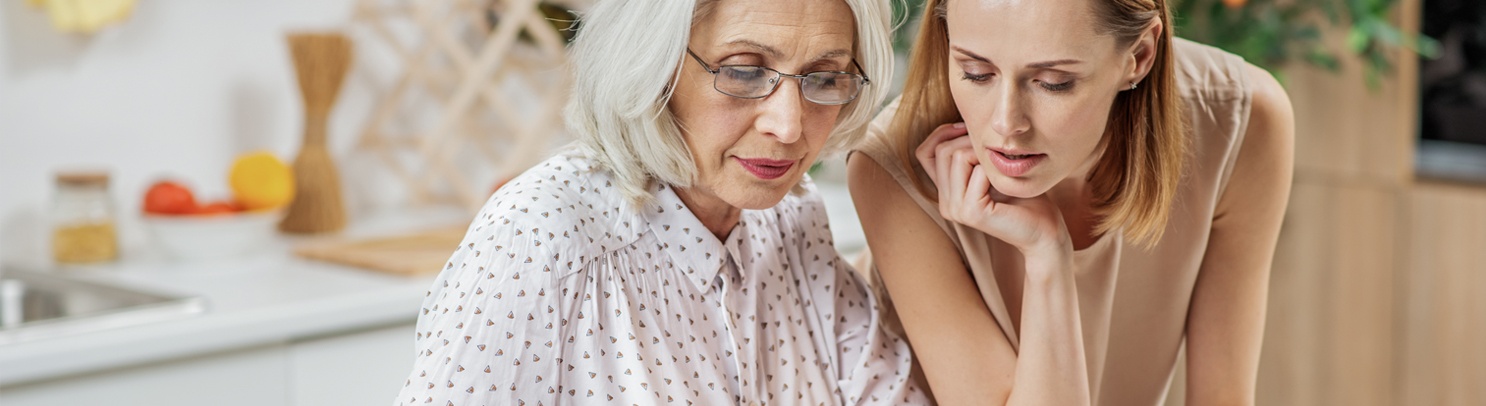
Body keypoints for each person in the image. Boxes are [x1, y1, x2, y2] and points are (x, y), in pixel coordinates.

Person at [394, 0, 930, 405]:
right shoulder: (538, 236)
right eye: (743, 71)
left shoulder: (795, 216)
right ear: (655, 66)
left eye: (824, 77)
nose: (788, 126)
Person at [847, 0, 1295, 404]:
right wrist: (1047, 257)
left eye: (1052, 83)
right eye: (976, 73)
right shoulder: (892, 168)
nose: (1005, 124)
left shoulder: (1238, 121)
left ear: (1138, 57)